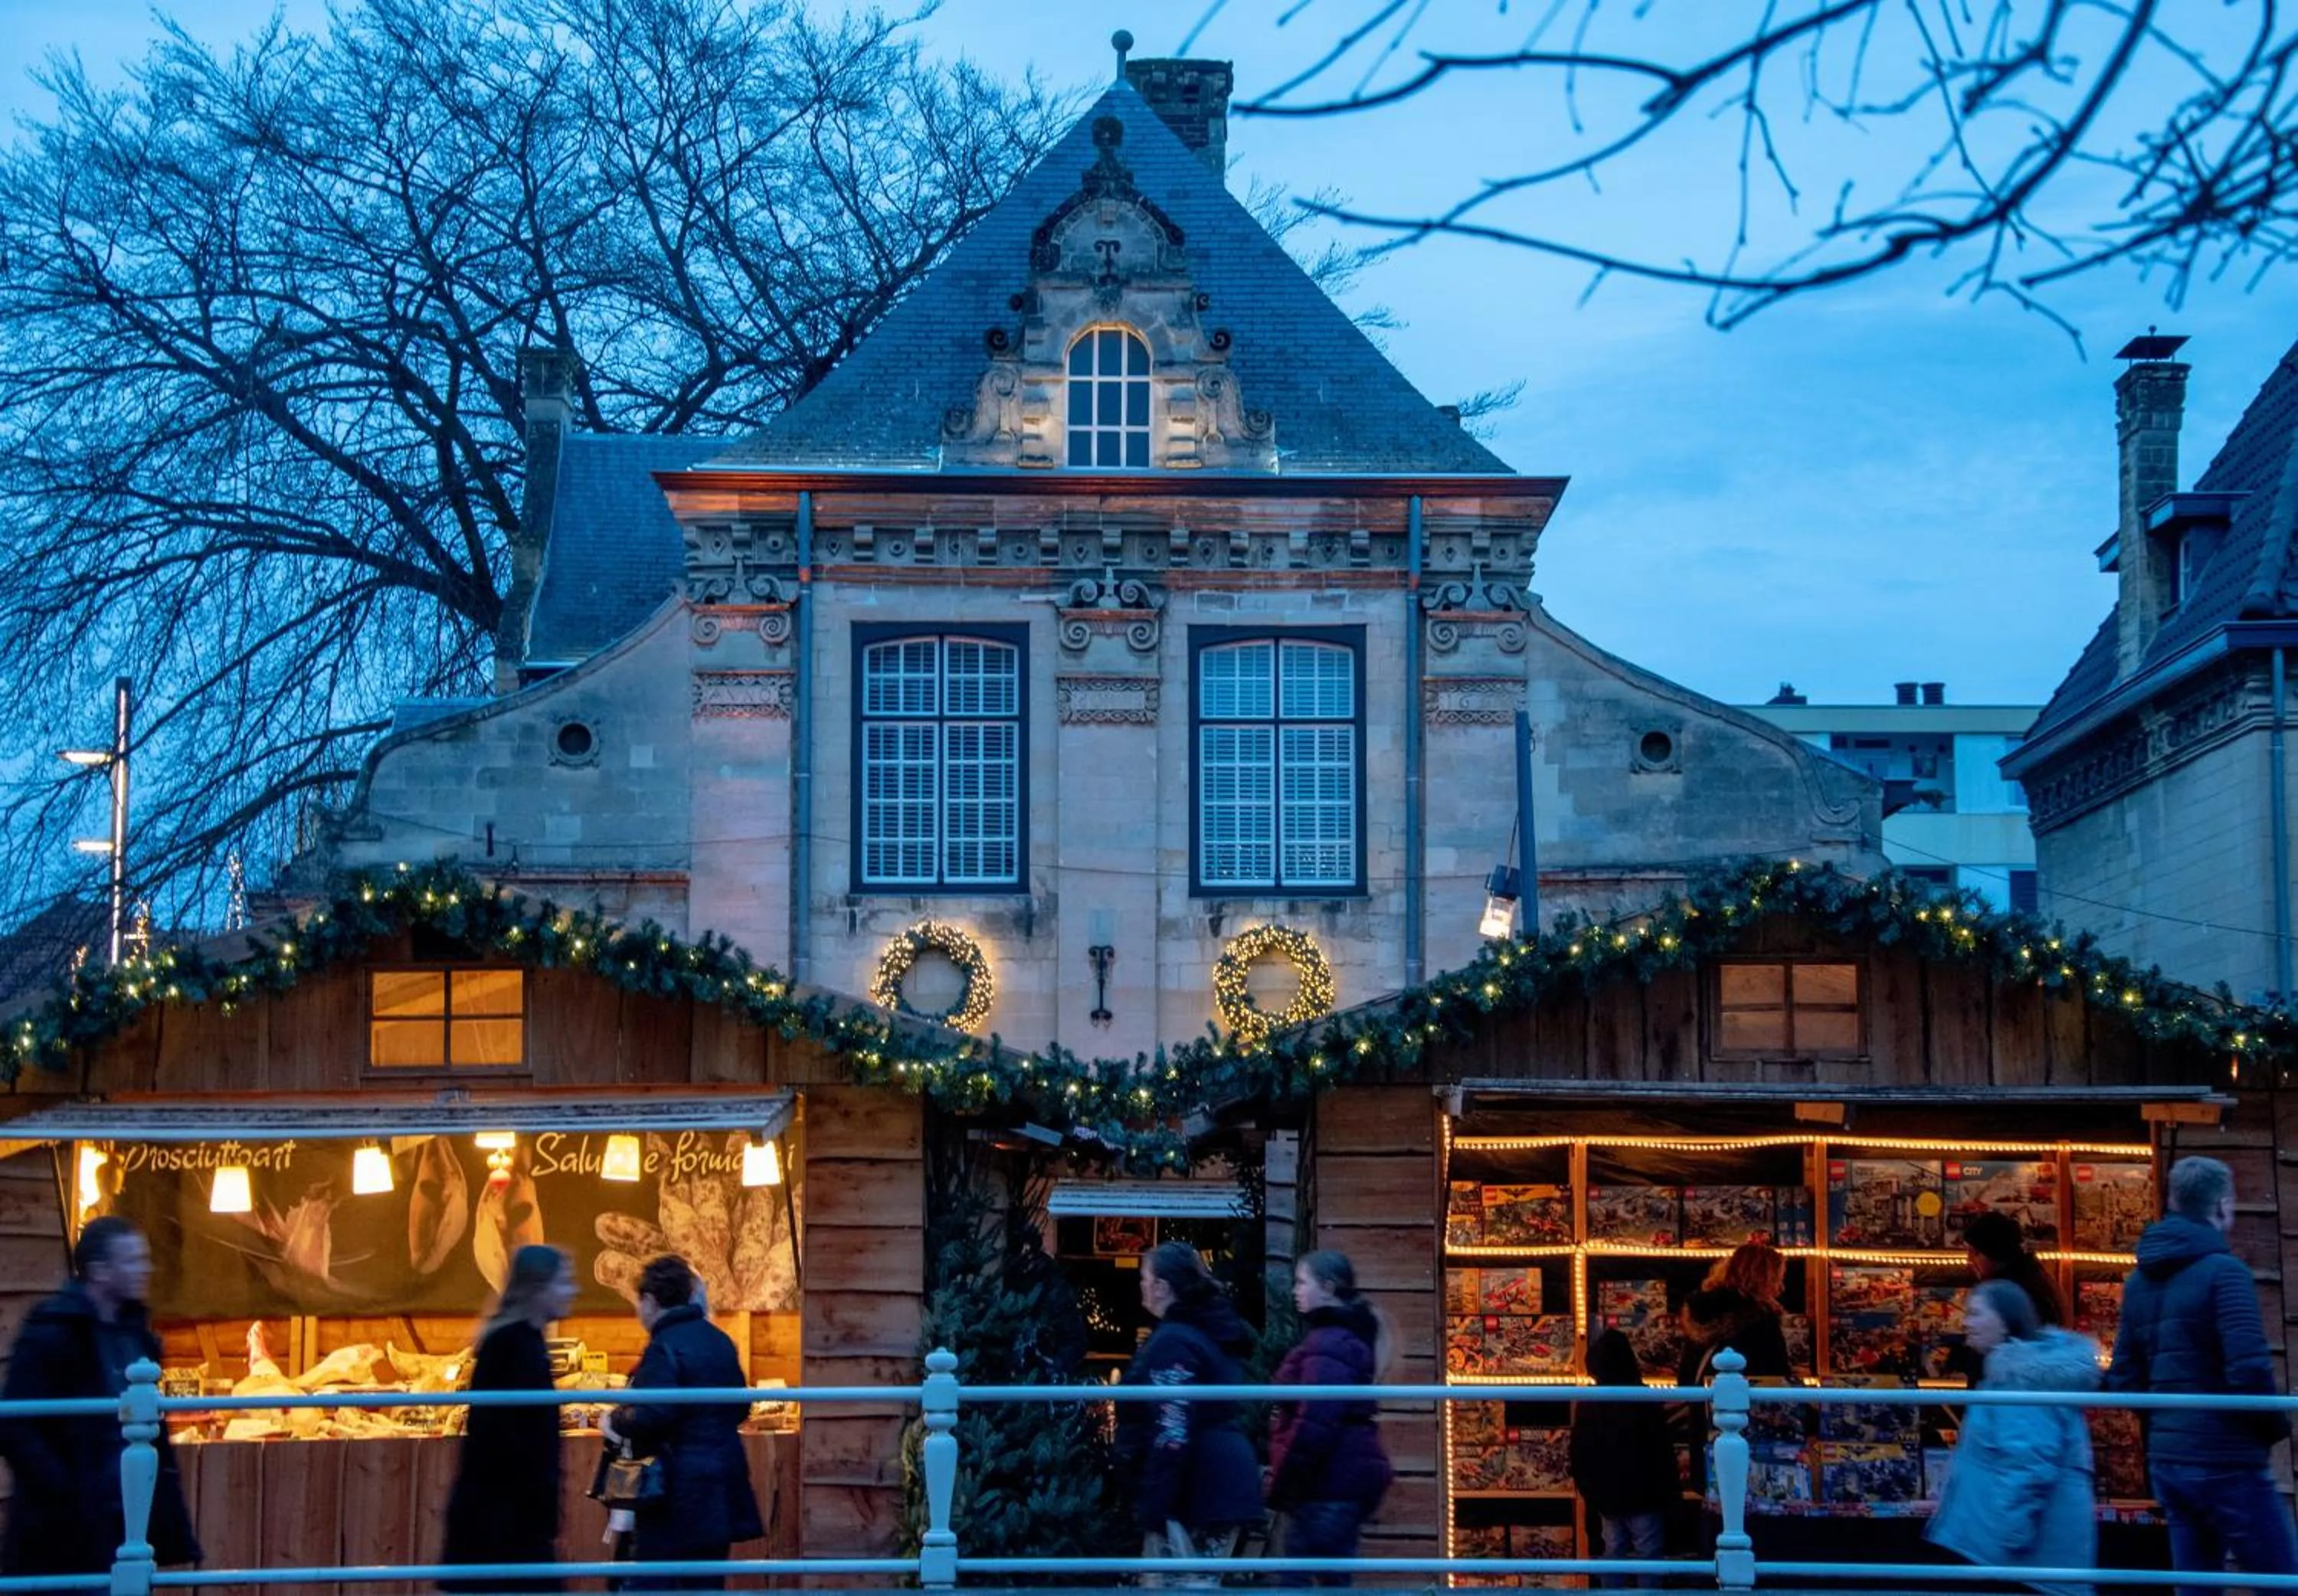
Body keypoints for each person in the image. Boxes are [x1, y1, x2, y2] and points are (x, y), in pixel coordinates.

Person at [2108, 1156, 2298, 1596]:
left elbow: (2124, 1377)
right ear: (2223, 1206)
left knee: (2195, 1586)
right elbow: (2249, 1366)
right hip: (2227, 1456)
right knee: (2282, 1581)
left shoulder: (2139, 1281)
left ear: (2173, 1201)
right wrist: (2272, 1429)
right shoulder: (2224, 1272)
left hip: (2171, 1461)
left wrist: (2163, 1432)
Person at [0, 1216, 201, 1582]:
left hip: (122, 1521)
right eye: (132, 1261)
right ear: (100, 1271)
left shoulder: (137, 1335)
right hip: (65, 1527)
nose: (145, 1269)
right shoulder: (53, 1331)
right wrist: (65, 1491)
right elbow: (15, 1423)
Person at [1924, 1280, 2100, 1596]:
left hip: (2026, 1556)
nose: (1967, 1322)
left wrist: (2009, 1538)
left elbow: (2028, 1464)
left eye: (1977, 1314)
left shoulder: (2021, 1379)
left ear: (2004, 1320)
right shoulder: (2019, 1373)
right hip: (2023, 1552)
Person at [606, 1256, 764, 1592]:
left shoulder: (663, 1347)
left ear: (650, 1300)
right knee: (705, 1581)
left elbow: (653, 1414)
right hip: (721, 1481)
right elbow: (740, 1407)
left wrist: (616, 1419)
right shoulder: (719, 1341)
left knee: (657, 1579)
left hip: (675, 1487)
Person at [1114, 1241, 1263, 1588]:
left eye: (1144, 1278)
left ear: (1162, 1287)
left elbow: (1172, 1429)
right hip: (1218, 1482)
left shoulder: (1174, 1343)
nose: (1141, 1286)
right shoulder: (1208, 1334)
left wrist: (1155, 1503)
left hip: (1195, 1489)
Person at [441, 1244, 579, 1592]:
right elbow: (517, 1446)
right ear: (539, 1287)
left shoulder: (513, 1341)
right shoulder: (514, 1347)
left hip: (502, 1522)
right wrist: (543, 1518)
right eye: (563, 1282)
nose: (573, 1290)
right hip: (505, 1526)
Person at [1267, 1250, 1394, 1587]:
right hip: (1339, 1477)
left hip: (1326, 1480)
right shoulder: (1339, 1338)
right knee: (1332, 1579)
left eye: (1301, 1282)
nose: (1295, 1290)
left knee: (1295, 1579)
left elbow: (1316, 1419)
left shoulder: (1330, 1342)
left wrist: (1286, 1481)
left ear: (1327, 1287)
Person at [1570, 1329, 1677, 1589]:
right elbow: (1661, 1448)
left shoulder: (1590, 1402)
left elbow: (1580, 1450)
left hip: (1607, 1494)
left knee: (1613, 1551)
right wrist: (1669, 1489)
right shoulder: (1643, 1397)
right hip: (1644, 1492)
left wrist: (1588, 1489)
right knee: (1648, 1551)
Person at [1964, 1212, 2066, 1326]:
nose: (1970, 1260)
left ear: (1995, 1253)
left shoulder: (2009, 1293)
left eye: (1976, 1253)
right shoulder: (2034, 1279)